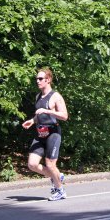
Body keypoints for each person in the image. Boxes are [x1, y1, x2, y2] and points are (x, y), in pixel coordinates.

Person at [22, 67, 69, 200]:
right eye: (37, 78)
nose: (37, 81)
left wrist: (48, 111)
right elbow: (39, 115)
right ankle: (57, 176)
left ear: (48, 80)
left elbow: (64, 116)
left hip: (53, 133)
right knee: (32, 164)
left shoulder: (55, 96)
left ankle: (60, 190)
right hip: (40, 133)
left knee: (50, 164)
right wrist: (32, 121)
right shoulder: (38, 96)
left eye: (40, 78)